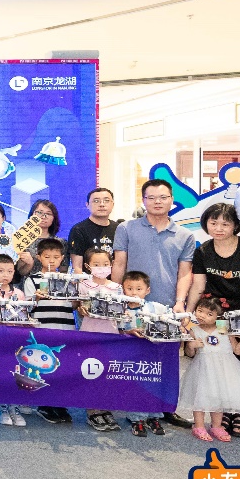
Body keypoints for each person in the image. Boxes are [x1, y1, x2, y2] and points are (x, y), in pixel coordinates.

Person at [112, 178, 195, 429]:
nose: (157, 202)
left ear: (171, 200)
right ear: (144, 200)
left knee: (167, 361)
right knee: (135, 360)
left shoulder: (185, 235)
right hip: (133, 306)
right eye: (151, 198)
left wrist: (180, 302)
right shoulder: (126, 228)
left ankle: (166, 408)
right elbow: (119, 264)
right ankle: (136, 408)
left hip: (166, 308)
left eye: (163, 197)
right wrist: (117, 299)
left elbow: (185, 272)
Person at [189, 202, 240, 437]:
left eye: (225, 223)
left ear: (236, 225)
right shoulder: (202, 251)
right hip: (214, 315)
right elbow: (198, 285)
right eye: (213, 223)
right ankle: (220, 412)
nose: (218, 228)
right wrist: (188, 314)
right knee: (216, 364)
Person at [179, 297, 240, 443]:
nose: (202, 316)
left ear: (218, 317)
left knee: (218, 397)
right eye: (200, 311)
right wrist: (191, 345)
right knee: (200, 396)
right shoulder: (194, 330)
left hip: (224, 370)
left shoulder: (224, 329)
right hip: (203, 369)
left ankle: (217, 426)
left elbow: (237, 351)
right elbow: (190, 353)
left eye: (209, 314)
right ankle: (199, 426)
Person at [24, 238, 75, 425]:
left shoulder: (68, 280)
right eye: (47, 257)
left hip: (65, 329)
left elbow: (74, 305)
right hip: (42, 330)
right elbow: (27, 307)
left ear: (62, 258)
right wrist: (36, 299)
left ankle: (59, 403)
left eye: (56, 257)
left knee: (63, 368)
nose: (51, 260)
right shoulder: (32, 279)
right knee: (43, 367)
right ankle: (44, 404)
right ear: (39, 257)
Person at [77, 247, 124, 432]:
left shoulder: (117, 287)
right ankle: (92, 411)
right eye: (96, 264)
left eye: (105, 264)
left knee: (108, 374)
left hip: (110, 335)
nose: (102, 267)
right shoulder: (84, 285)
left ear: (111, 264)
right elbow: (78, 306)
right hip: (90, 334)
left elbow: (121, 311)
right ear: (88, 266)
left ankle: (105, 408)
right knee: (91, 372)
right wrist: (80, 308)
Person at [117, 271, 168, 437]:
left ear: (147, 290)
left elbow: (172, 320)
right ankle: (137, 418)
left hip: (153, 356)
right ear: (123, 289)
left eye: (139, 289)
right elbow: (115, 331)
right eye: (129, 288)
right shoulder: (119, 309)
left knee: (154, 384)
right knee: (136, 385)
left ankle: (154, 416)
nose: (134, 292)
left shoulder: (155, 307)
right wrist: (128, 332)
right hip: (130, 356)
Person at [0, 254, 28, 428]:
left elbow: (24, 317)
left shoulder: (18, 293)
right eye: (1, 271)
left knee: (15, 371)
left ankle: (13, 406)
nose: (5, 275)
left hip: (14, 339)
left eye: (10, 271)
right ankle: (1, 406)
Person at [68, 188, 122, 273]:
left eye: (106, 201)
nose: (102, 204)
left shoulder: (119, 228)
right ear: (87, 205)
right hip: (88, 280)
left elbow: (121, 263)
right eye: (96, 201)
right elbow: (77, 266)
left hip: (113, 280)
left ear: (113, 204)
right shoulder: (78, 230)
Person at [19, 199, 67, 276]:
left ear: (54, 218)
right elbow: (20, 273)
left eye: (48, 213)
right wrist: (29, 264)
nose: (43, 217)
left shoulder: (60, 242)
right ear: (32, 215)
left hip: (52, 282)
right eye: (39, 212)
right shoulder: (22, 241)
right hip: (27, 282)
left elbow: (64, 271)